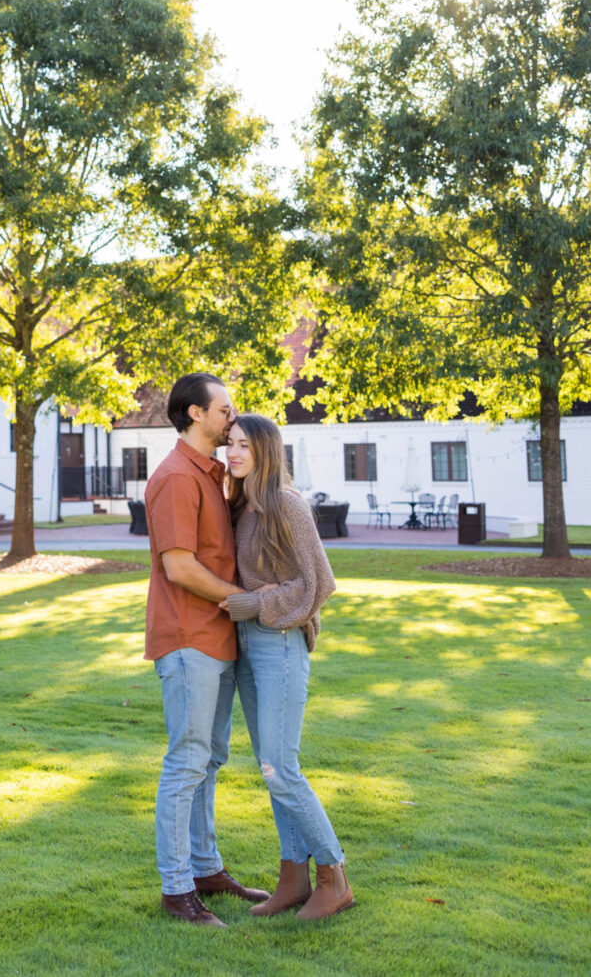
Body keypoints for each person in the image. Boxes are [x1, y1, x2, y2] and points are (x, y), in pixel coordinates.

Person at [143, 371, 270, 926]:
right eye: (224, 410)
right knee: (187, 762)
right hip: (188, 638)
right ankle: (177, 890)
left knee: (209, 760)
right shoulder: (177, 476)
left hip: (217, 639)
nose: (232, 418)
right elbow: (180, 567)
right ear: (195, 414)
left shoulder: (211, 474)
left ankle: (206, 869)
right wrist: (248, 601)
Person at [220, 414, 353, 919]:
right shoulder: (244, 507)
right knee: (269, 767)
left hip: (279, 644)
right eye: (230, 444)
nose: (233, 453)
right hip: (248, 646)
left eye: (244, 446)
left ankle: (334, 876)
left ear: (266, 452)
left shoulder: (286, 505)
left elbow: (319, 582)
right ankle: (293, 878)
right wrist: (254, 600)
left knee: (281, 768)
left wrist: (256, 603)